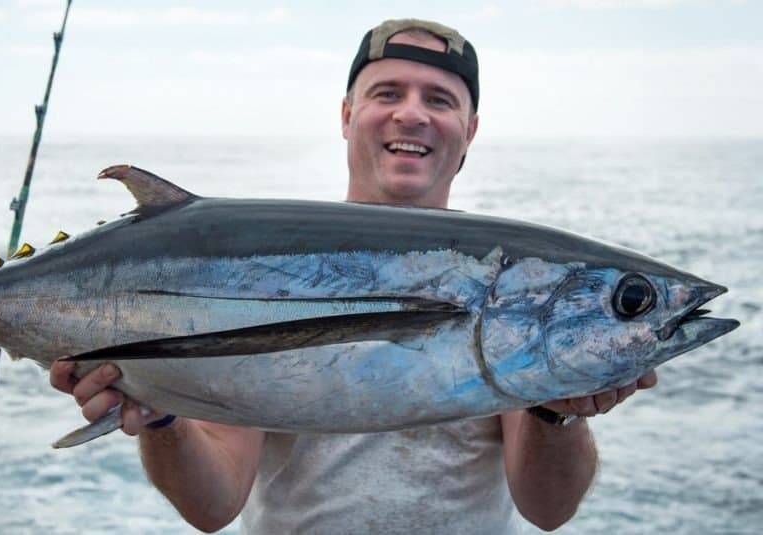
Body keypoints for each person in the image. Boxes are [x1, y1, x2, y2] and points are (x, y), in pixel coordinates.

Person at [50, 18, 658, 533]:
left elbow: (547, 511)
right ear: (348, 114)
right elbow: (214, 505)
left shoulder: (514, 284)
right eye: (387, 93)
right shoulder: (266, 269)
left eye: (440, 100)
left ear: (470, 129)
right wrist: (157, 413)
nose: (412, 115)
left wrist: (560, 411)